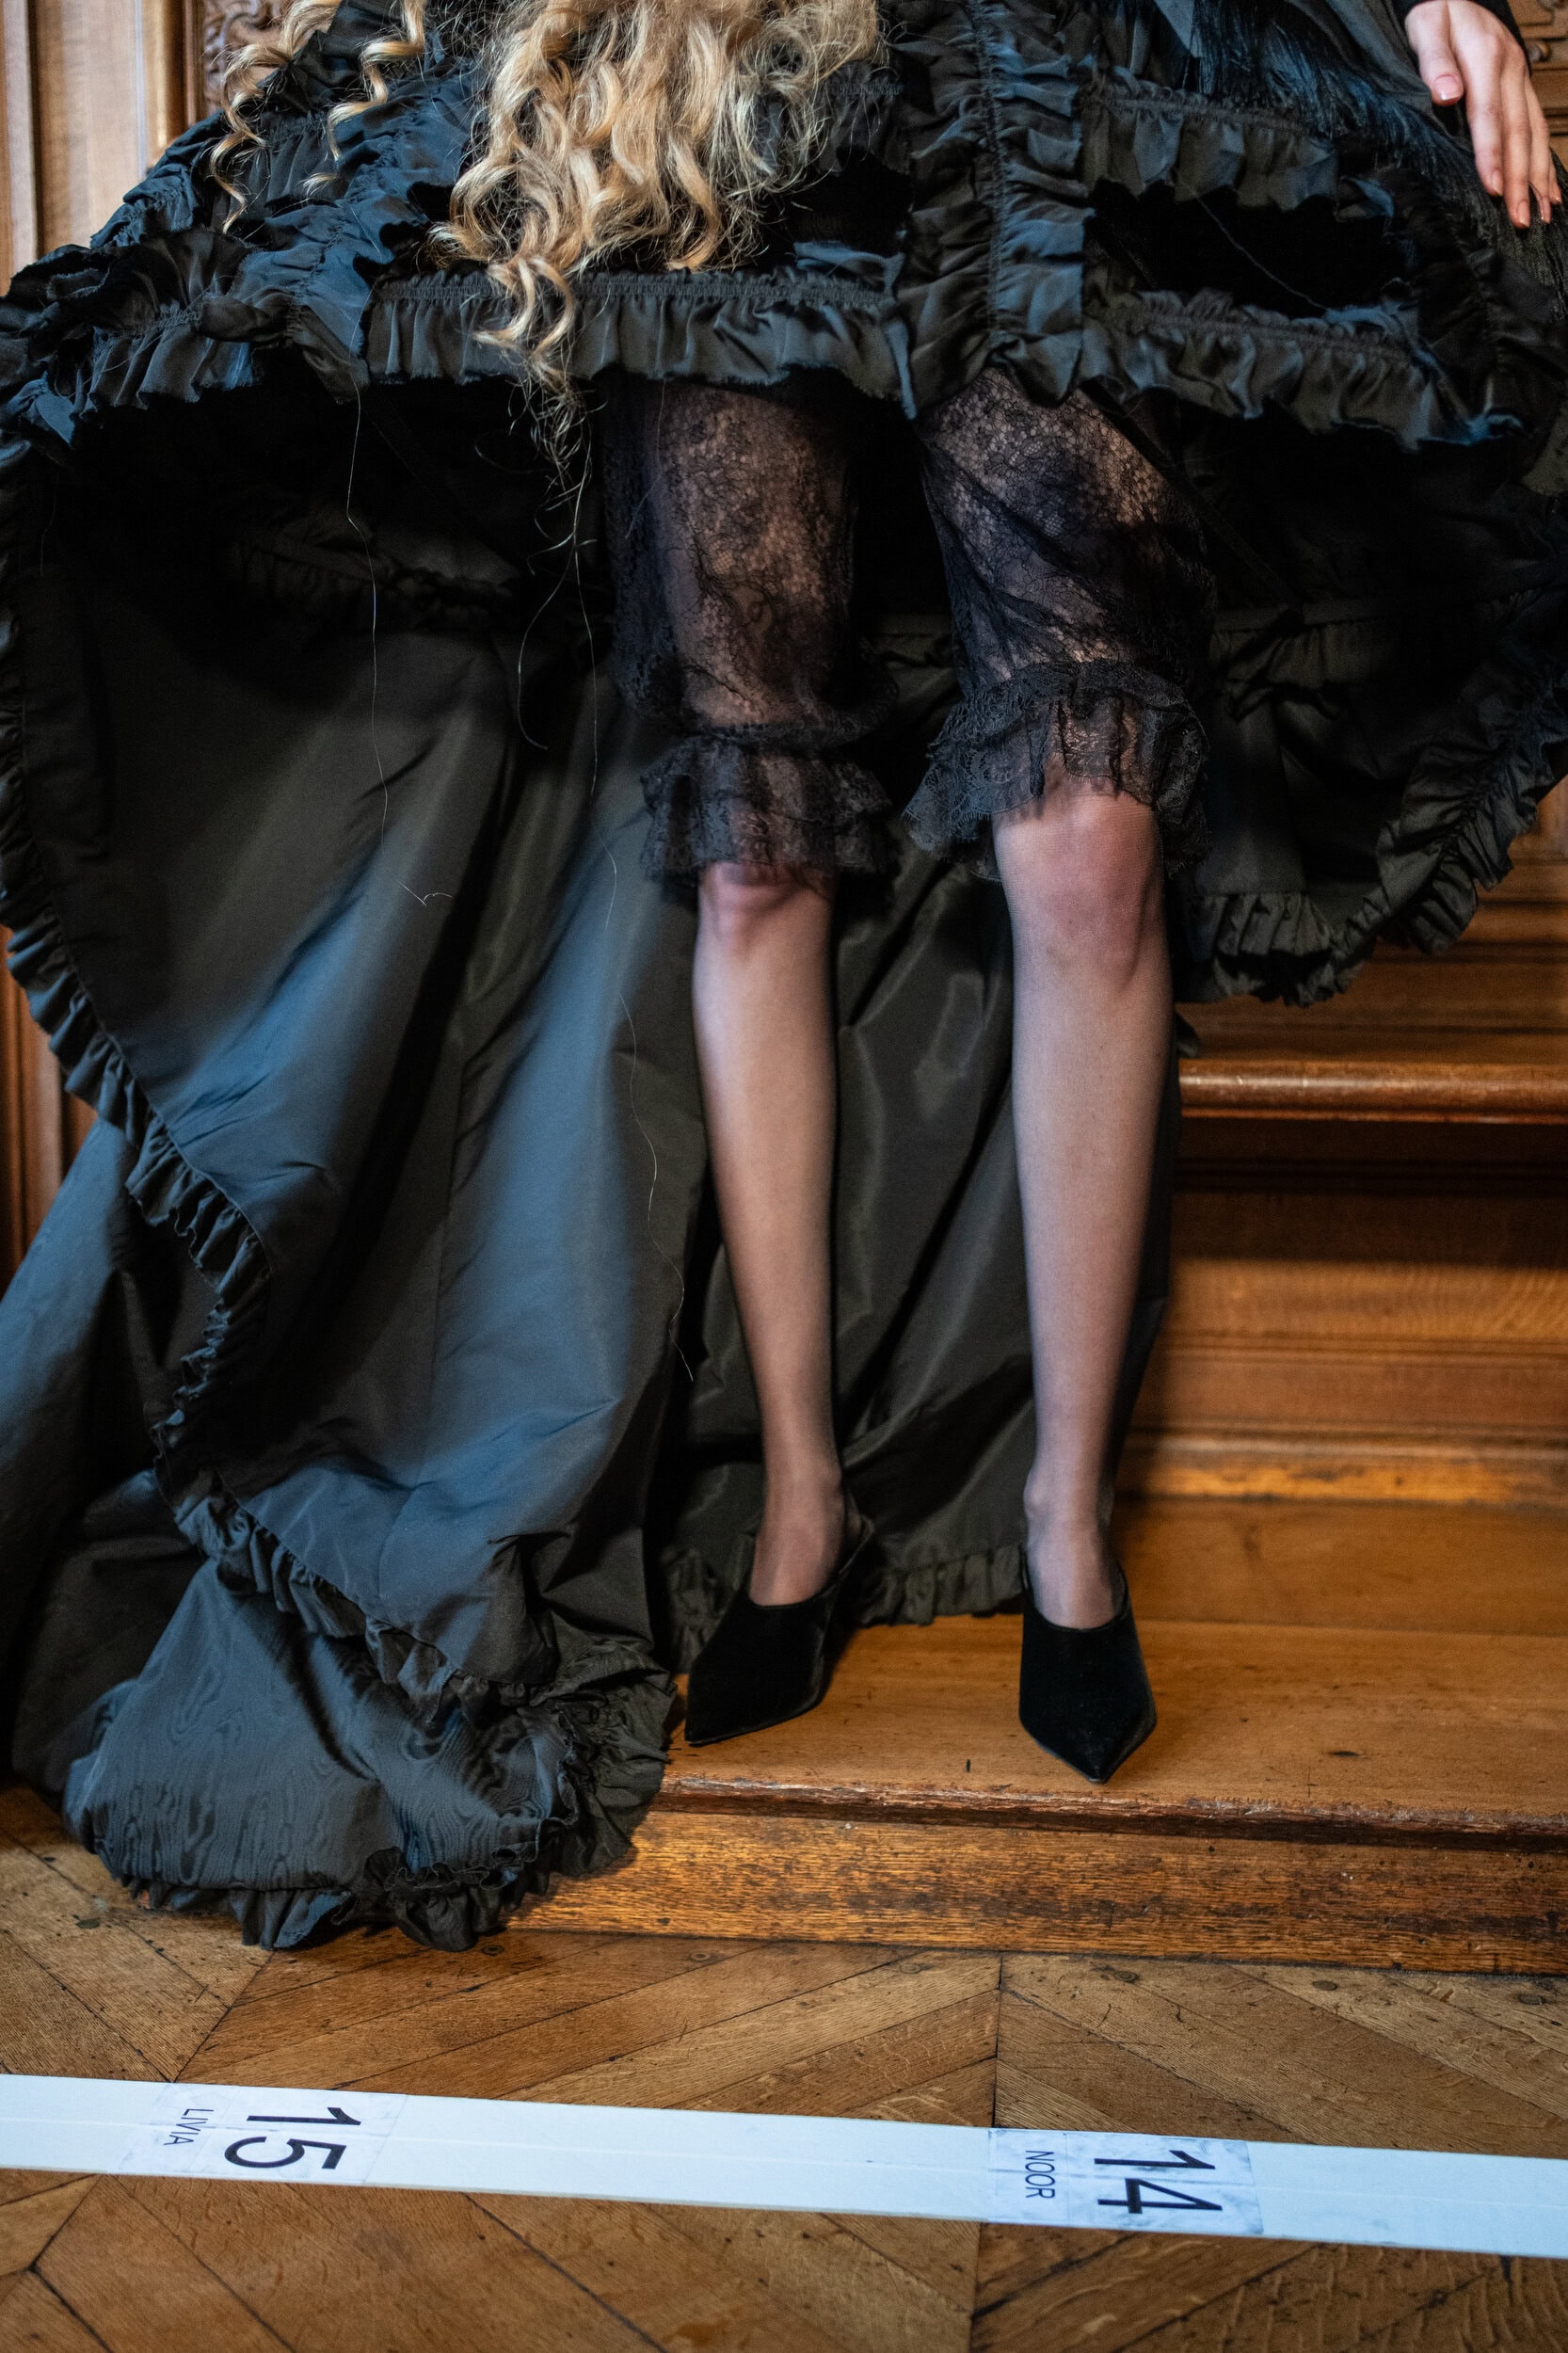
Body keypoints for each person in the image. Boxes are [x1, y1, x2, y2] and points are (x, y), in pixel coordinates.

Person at [0, 0, 1562, 1947]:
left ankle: (1066, 1524)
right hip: (724, 74)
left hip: (1038, 78)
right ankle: (802, 1508)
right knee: (750, 843)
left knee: (1088, 834)